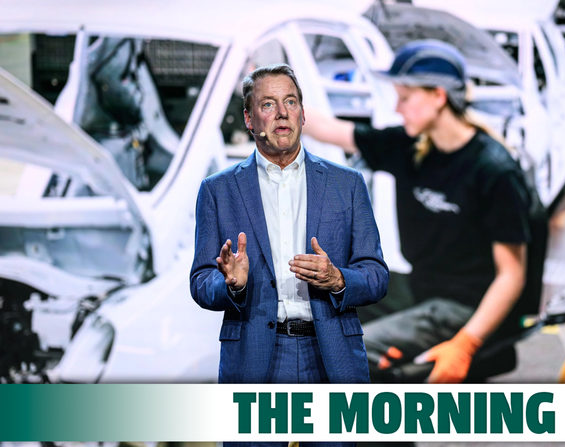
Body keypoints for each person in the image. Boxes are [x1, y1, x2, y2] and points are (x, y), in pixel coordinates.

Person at [303, 40, 531, 384]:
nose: (397, 108)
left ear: (438, 97)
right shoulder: (410, 148)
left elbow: (512, 275)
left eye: (405, 98)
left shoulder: (493, 170)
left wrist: (466, 343)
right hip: (422, 287)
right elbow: (332, 129)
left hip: (465, 306)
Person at [190, 64, 389, 392]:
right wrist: (232, 285)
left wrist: (338, 278)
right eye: (268, 104)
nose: (282, 113)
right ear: (249, 120)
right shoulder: (217, 190)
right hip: (254, 359)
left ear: (303, 114)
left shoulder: (347, 184)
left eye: (291, 102)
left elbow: (376, 276)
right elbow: (200, 283)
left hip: (332, 356)